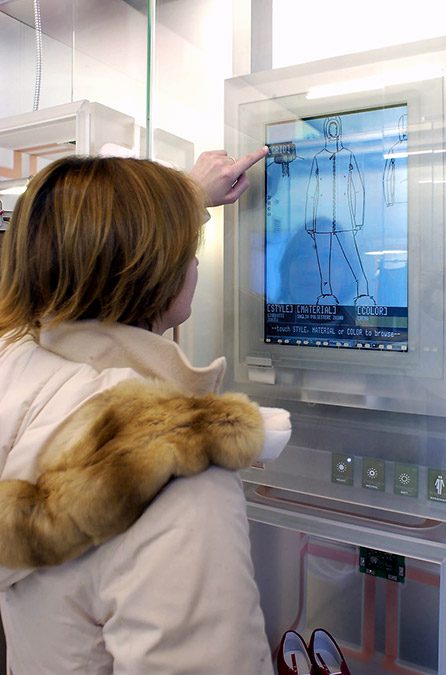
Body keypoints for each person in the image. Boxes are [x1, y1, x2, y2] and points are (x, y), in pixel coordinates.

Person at [0, 147, 288, 674]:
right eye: (186, 246)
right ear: (152, 271)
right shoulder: (174, 472)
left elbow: (83, 245)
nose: (196, 258)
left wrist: (186, 199)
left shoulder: (16, 375)